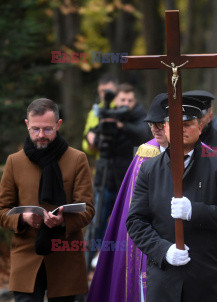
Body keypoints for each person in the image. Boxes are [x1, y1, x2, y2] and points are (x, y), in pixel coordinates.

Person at [126, 95, 217, 301]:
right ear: (165, 127)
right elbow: (136, 221)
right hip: (165, 280)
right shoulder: (149, 169)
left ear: (199, 127)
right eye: (175, 124)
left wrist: (194, 211)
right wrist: (163, 250)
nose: (181, 129)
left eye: (188, 124)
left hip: (206, 280)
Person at [0, 98, 95, 301]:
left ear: (58, 125)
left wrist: (62, 222)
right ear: (27, 124)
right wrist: (23, 219)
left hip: (66, 256)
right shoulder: (14, 162)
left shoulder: (77, 159)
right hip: (26, 256)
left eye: (48, 129)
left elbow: (88, 210)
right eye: (35, 129)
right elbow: (2, 210)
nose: (41, 135)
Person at [87, 93, 169, 302]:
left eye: (160, 123)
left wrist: (122, 126)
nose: (155, 129)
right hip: (146, 229)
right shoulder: (147, 152)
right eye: (152, 124)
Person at [88, 83, 151, 250]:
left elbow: (143, 134)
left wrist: (121, 126)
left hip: (129, 182)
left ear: (135, 101)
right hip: (106, 179)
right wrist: (91, 135)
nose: (126, 103)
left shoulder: (140, 116)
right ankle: (92, 259)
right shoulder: (108, 114)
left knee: (126, 225)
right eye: (122, 99)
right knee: (97, 223)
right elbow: (94, 131)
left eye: (130, 100)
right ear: (115, 100)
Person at [82, 74, 118, 157]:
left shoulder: (121, 108)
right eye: (102, 91)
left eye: (108, 91)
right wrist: (90, 143)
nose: (104, 94)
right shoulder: (94, 111)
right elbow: (85, 141)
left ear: (116, 91)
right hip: (101, 162)